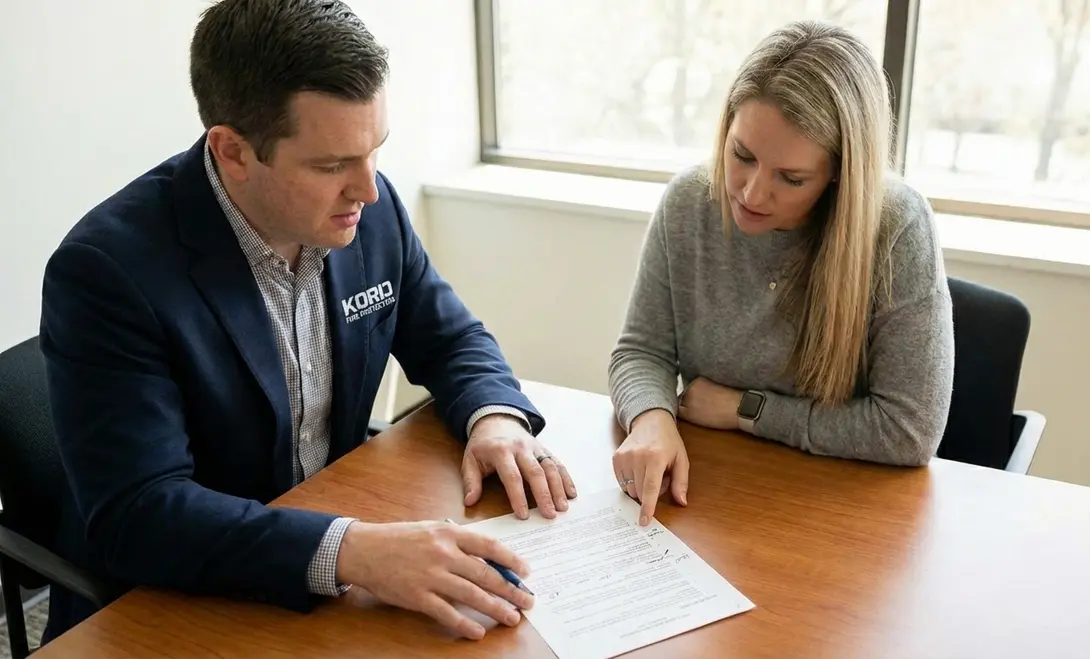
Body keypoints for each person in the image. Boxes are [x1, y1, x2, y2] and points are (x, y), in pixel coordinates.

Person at [38, 0, 576, 644]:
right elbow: (139, 514)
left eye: (374, 150)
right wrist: (353, 551)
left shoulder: (366, 211)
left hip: (331, 575)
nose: (368, 189)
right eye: (330, 166)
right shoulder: (107, 272)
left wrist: (495, 417)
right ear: (233, 151)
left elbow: (450, 335)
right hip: (173, 604)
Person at [608, 21, 954, 526]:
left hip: (841, 516)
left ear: (840, 173)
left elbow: (907, 429)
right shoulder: (689, 201)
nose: (750, 193)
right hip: (714, 499)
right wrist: (651, 419)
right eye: (741, 155)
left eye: (791, 178)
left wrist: (743, 410)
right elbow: (641, 350)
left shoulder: (897, 227)